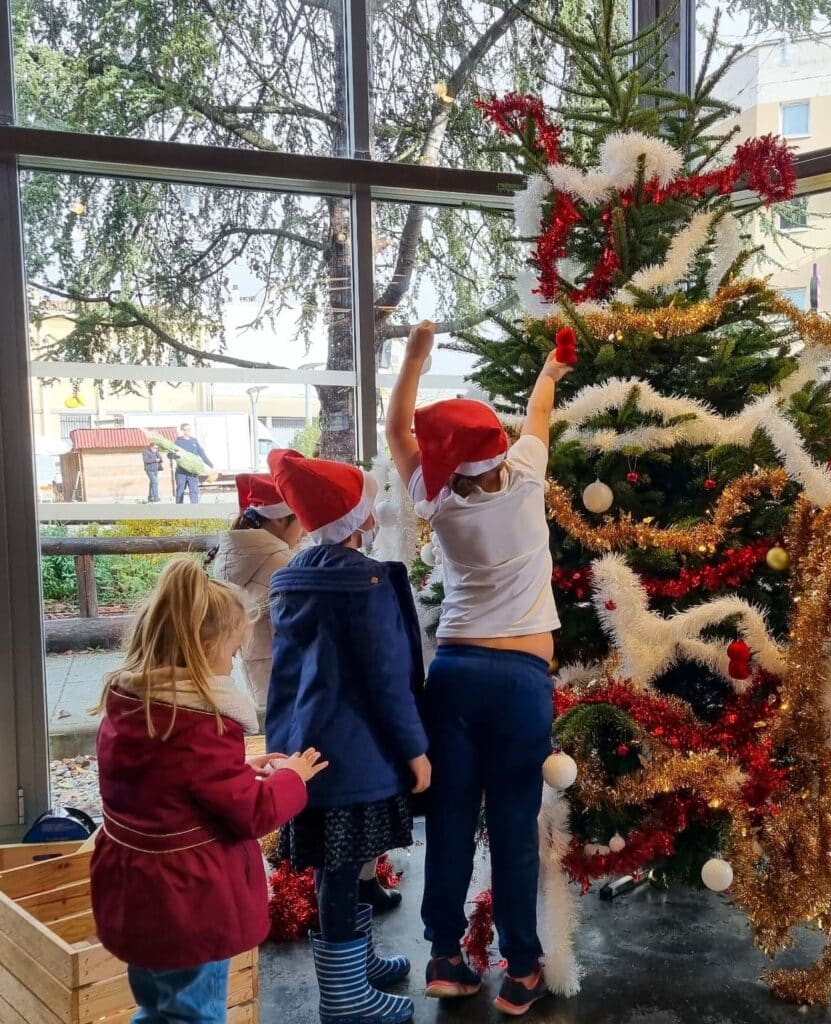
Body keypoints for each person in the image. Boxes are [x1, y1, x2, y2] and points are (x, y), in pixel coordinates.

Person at [386, 321, 570, 1016]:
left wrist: (412, 361)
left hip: (455, 676)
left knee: (455, 821)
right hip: (520, 684)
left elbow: (397, 432)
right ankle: (521, 968)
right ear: (498, 449)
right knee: (515, 824)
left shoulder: (437, 503)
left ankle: (444, 955)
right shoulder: (524, 480)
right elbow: (540, 414)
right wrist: (549, 372)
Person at [89, 557, 327, 1024]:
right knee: (194, 1012)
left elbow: (169, 787)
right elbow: (252, 813)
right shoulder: (199, 727)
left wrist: (238, 768)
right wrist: (291, 777)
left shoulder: (132, 710)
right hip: (186, 902)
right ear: (203, 647)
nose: (234, 661)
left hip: (137, 892)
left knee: (157, 1004)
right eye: (233, 650)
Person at [266, 448, 430, 1024]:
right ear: (359, 521)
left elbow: (282, 677)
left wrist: (279, 749)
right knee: (342, 868)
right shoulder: (366, 584)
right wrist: (415, 748)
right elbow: (389, 679)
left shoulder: (291, 579)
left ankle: (355, 965)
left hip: (307, 751)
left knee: (340, 862)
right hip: (358, 756)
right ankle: (344, 997)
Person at [210, 473, 303, 705]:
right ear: (280, 519)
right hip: (291, 682)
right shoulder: (282, 564)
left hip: (257, 677)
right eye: (300, 518)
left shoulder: (231, 557)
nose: (305, 530)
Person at [172, 422, 214, 504]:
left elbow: (202, 453)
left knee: (194, 491)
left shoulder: (194, 441)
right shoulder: (178, 442)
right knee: (180, 490)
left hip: (193, 472)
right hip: (181, 472)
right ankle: (179, 509)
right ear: (182, 430)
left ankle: (195, 510)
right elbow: (170, 454)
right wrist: (175, 455)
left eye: (189, 429)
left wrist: (210, 464)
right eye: (186, 429)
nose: (188, 431)